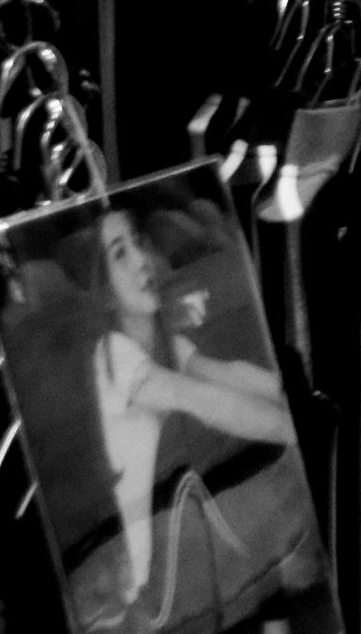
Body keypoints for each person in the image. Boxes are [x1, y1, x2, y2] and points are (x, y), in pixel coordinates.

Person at [77, 205, 304, 622]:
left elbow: (224, 374)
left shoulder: (159, 340)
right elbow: (204, 401)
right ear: (105, 291)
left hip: (176, 565)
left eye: (138, 241)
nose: (142, 259)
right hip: (151, 596)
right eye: (119, 253)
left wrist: (296, 396)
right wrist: (298, 429)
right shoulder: (113, 355)